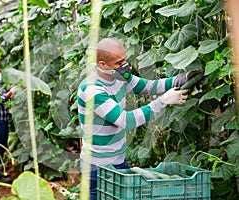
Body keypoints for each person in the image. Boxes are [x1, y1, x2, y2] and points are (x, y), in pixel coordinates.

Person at [77, 38, 202, 200]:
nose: (124, 65)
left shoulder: (120, 77)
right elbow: (125, 121)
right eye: (119, 62)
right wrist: (163, 101)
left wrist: (179, 80)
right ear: (102, 64)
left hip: (119, 162)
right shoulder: (92, 90)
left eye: (125, 59)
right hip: (96, 168)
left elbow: (148, 86)